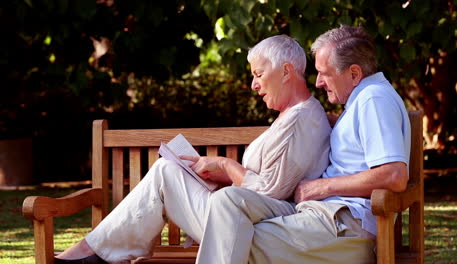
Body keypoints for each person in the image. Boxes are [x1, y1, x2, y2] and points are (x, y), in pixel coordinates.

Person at [54, 35, 332, 264]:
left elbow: (271, 192)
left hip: (259, 225)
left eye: (258, 74)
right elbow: (266, 181)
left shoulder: (302, 119)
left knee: (166, 172)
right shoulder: (291, 115)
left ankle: (94, 252)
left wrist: (225, 165)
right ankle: (97, 251)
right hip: (243, 215)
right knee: (168, 168)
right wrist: (217, 175)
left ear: (286, 71)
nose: (253, 85)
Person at [195, 25, 411, 264]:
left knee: (231, 236)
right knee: (228, 207)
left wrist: (322, 187)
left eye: (324, 73)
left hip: (344, 227)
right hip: (325, 221)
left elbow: (394, 175)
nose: (318, 82)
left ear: (354, 74)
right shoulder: (365, 100)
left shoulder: (373, 99)